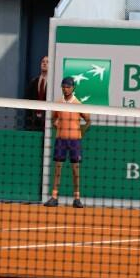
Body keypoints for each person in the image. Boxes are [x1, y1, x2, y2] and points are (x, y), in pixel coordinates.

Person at [45, 75, 89, 207]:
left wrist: (81, 131)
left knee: (75, 170)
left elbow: (88, 120)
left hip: (75, 141)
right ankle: (54, 197)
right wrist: (56, 126)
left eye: (68, 87)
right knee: (58, 169)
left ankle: (77, 198)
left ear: (73, 88)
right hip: (61, 140)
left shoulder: (78, 104)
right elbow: (53, 118)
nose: (65, 89)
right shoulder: (58, 103)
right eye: (63, 87)